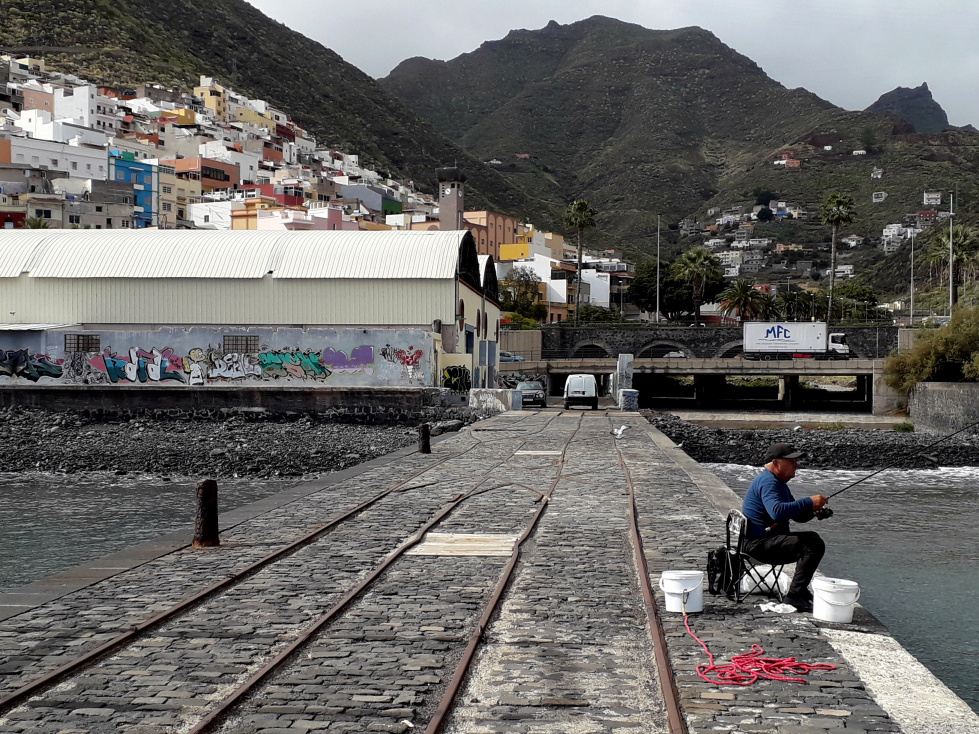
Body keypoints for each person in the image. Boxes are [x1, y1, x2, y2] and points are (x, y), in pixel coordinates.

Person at [741, 442, 829, 613]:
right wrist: (808, 501)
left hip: (763, 540)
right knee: (813, 545)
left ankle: (800, 591)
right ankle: (794, 596)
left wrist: (813, 511)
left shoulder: (778, 482)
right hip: (758, 545)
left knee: (813, 537)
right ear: (776, 463)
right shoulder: (768, 482)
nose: (796, 465)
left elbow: (796, 516)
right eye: (791, 461)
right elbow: (777, 512)